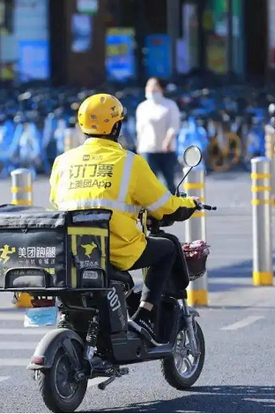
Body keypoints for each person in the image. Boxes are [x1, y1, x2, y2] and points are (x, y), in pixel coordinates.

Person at [49, 93, 200, 346]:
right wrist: (190, 204)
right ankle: (145, 315)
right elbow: (165, 206)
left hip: (73, 249)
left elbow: (57, 200)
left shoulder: (62, 162)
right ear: (117, 126)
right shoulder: (131, 163)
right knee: (168, 247)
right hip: (115, 249)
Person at [135, 77, 181, 194]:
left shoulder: (170, 105)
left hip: (166, 149)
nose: (151, 89)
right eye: (148, 85)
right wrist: (139, 147)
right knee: (150, 183)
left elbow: (174, 125)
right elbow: (140, 129)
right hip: (148, 149)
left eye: (154, 86)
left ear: (161, 89)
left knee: (169, 182)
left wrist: (168, 140)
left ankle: (172, 208)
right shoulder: (142, 107)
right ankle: (152, 210)